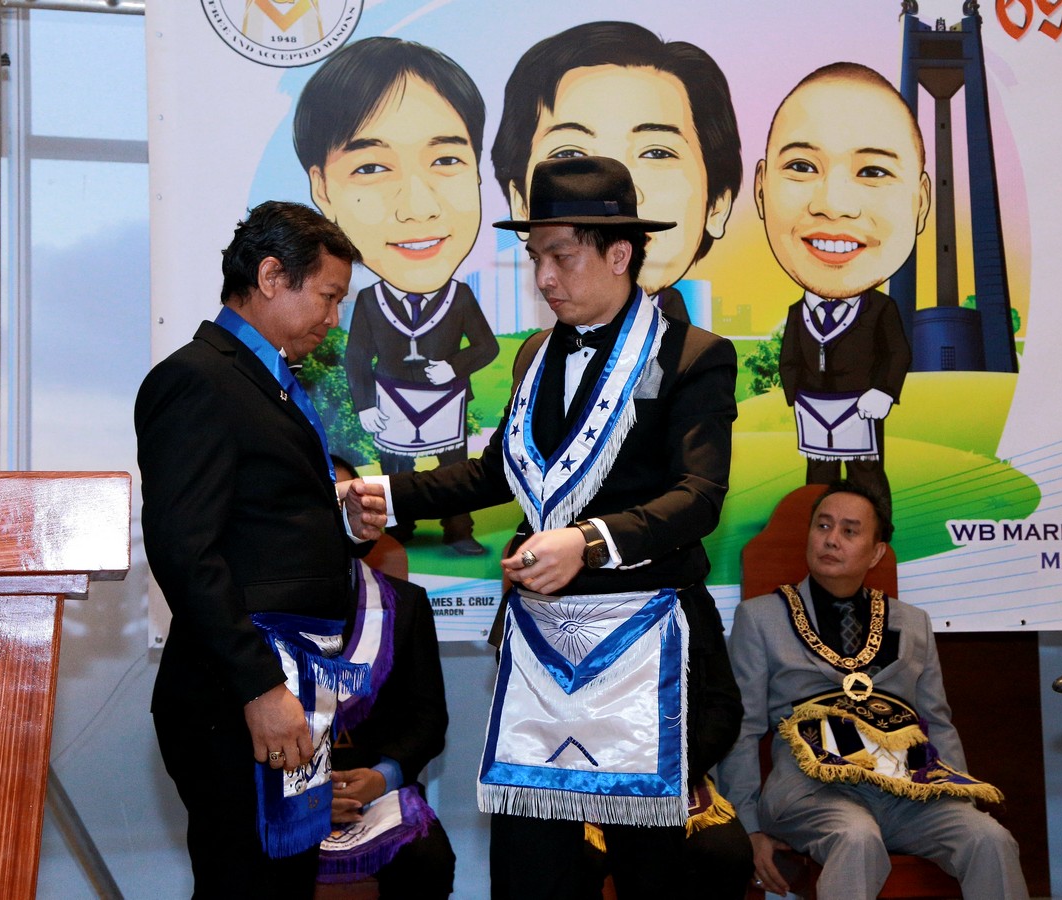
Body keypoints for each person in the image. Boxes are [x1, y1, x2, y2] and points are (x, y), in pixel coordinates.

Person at [354, 155, 746, 899]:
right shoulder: (535, 354)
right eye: (536, 256)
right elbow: (498, 472)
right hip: (542, 648)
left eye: (561, 256)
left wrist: (588, 542)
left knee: (650, 871)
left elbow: (699, 498)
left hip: (644, 643)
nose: (544, 276)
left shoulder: (694, 356)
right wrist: (387, 494)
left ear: (620, 254)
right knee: (527, 868)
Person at [136, 201, 387, 897]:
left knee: (285, 881)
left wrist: (343, 528)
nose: (333, 318)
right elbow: (185, 549)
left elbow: (261, 527)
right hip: (239, 692)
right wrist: (259, 687)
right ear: (272, 276)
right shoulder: (199, 378)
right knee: (244, 882)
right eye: (328, 297)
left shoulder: (268, 381)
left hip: (288, 686)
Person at [719, 481, 1029, 900]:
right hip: (812, 793)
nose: (831, 539)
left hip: (908, 793)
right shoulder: (760, 618)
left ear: (876, 552)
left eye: (849, 531)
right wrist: (748, 827)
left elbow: (937, 722)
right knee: (857, 837)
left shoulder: (912, 622)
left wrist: (957, 798)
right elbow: (742, 729)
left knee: (989, 839)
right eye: (823, 526)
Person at [295, 36, 499, 555]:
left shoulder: (460, 298)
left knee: (454, 465)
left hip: (446, 396)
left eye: (447, 159)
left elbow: (487, 347)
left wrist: (453, 368)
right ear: (321, 187)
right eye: (370, 167)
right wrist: (366, 407)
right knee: (394, 466)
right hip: (391, 396)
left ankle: (459, 531)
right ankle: (399, 528)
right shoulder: (366, 300)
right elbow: (357, 356)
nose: (417, 207)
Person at [492, 20, 742, 316]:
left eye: (656, 153)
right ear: (522, 204)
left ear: (717, 204)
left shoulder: (700, 346)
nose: (615, 188)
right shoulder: (538, 346)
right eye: (570, 154)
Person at [761, 63, 925, 512]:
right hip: (815, 407)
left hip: (862, 407)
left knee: (867, 475)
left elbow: (896, 354)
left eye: (872, 171)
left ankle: (879, 532)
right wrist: (794, 396)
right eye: (801, 166)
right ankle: (811, 530)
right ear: (760, 190)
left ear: (922, 202)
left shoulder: (880, 311)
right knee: (818, 477)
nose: (834, 206)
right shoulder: (798, 312)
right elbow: (790, 358)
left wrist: (883, 393)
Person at [318, 456, 455, 897]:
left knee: (428, 859)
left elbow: (428, 720)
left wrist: (381, 777)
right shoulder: (254, 611)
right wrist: (305, 797)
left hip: (377, 788)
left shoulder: (405, 603)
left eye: (347, 504)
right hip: (279, 794)